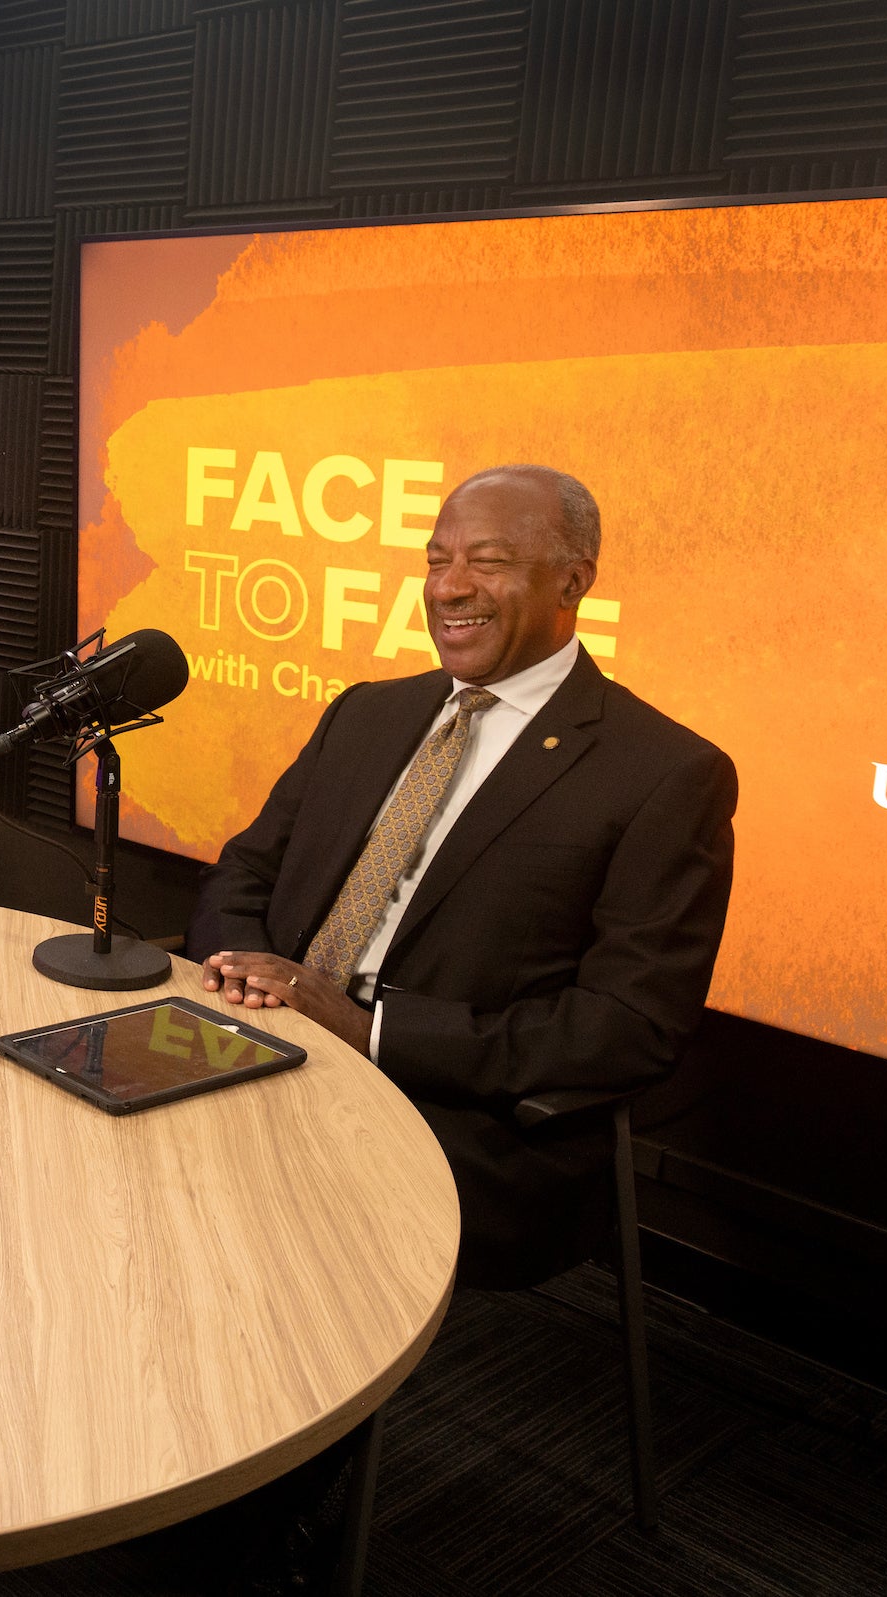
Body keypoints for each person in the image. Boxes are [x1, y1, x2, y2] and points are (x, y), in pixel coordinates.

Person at [187, 464, 736, 1289]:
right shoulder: (366, 712)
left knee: (238, 1218)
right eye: (437, 560)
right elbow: (247, 868)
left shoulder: (665, 774)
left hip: (462, 1119)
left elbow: (626, 1026)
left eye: (487, 561)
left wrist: (368, 1030)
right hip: (266, 1041)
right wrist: (249, 976)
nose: (449, 587)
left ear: (573, 580)